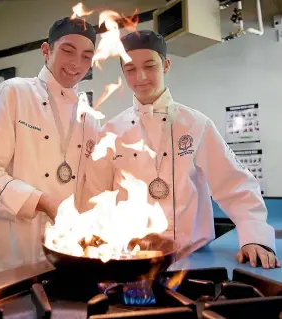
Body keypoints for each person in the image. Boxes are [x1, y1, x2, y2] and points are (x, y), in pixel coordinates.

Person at [83, 30, 280, 269]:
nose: (141, 76)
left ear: (165, 65)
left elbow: (234, 185)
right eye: (130, 69)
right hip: (130, 261)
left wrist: (256, 239)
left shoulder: (196, 124)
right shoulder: (111, 131)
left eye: (150, 65)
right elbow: (96, 195)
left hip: (191, 260)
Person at [0, 17, 99, 277]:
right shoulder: (14, 92)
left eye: (86, 56)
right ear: (46, 50)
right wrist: (43, 201)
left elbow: (88, 187)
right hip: (4, 255)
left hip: (61, 256)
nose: (76, 64)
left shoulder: (90, 118)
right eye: (68, 51)